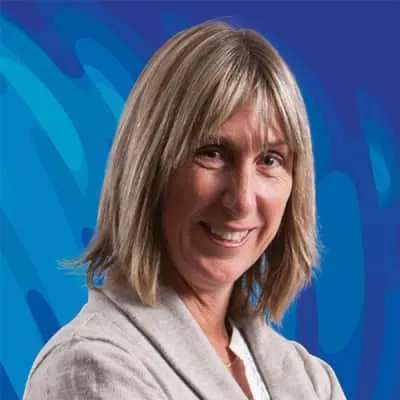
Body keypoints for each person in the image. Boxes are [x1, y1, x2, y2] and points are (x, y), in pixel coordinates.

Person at [24, 21, 346, 399]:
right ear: (149, 167)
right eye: (212, 153)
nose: (242, 199)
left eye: (270, 160)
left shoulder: (313, 380)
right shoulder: (90, 368)